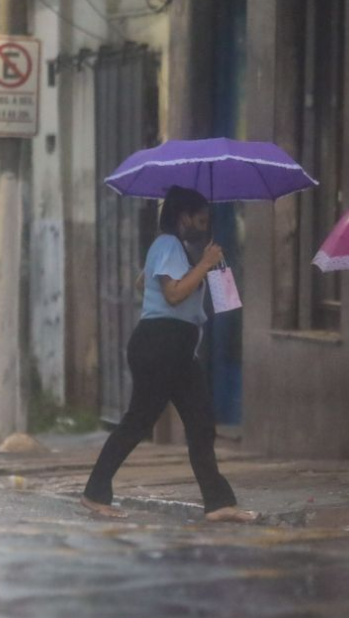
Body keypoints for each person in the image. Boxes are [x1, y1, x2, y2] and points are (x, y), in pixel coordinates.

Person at [81, 186, 257, 523]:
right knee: (138, 422)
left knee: (201, 424)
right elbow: (173, 295)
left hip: (180, 350)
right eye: (200, 220)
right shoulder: (168, 244)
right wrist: (204, 264)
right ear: (183, 217)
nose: (204, 227)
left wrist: (204, 265)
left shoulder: (179, 251)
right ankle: (95, 492)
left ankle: (219, 503)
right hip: (159, 345)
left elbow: (142, 283)